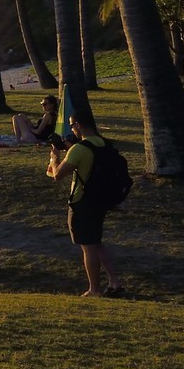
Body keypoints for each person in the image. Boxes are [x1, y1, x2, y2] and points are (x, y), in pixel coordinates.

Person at [46, 115, 125, 298]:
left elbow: (58, 175)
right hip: (102, 199)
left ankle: (94, 289)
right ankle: (114, 280)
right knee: (96, 242)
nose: (72, 129)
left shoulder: (79, 149)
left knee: (87, 246)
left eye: (72, 125)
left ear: (79, 125)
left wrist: (54, 158)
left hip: (83, 201)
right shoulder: (103, 143)